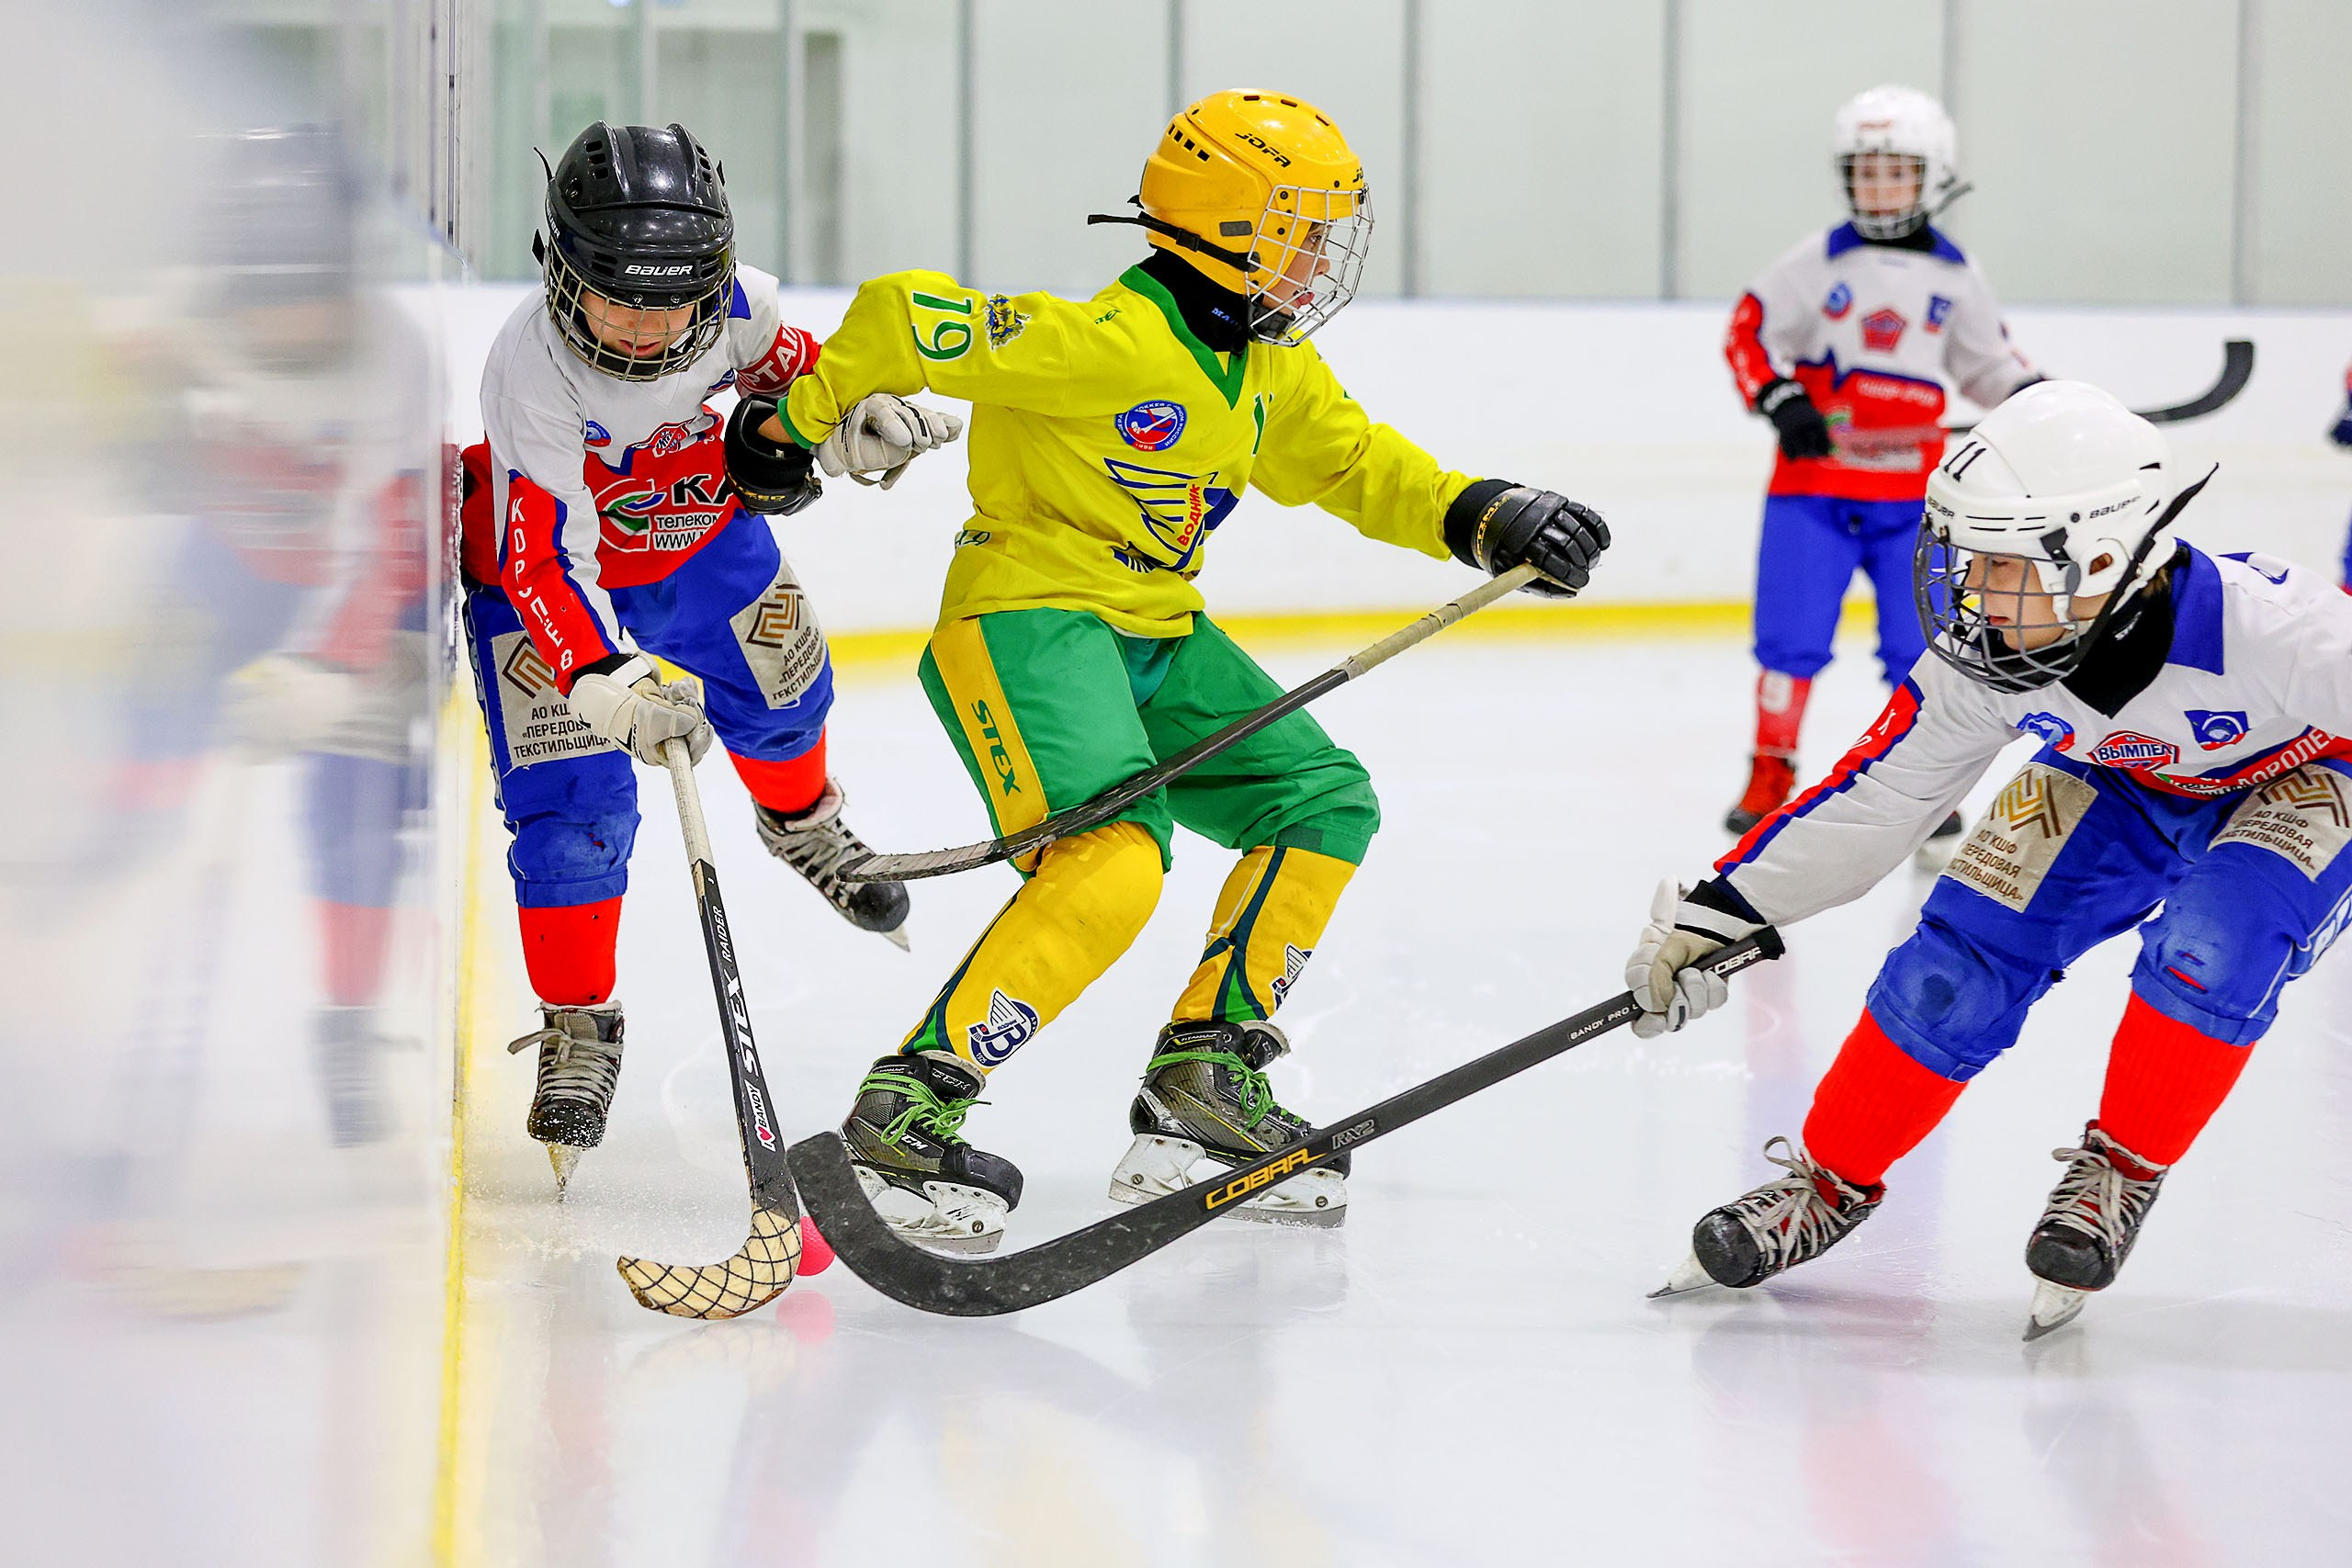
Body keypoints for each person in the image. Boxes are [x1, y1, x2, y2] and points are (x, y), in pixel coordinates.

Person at [755, 89, 1609, 1250]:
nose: (1320, 254)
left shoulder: (1263, 367)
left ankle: (1200, 1084)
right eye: (1301, 226)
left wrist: (1486, 513)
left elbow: (1356, 464)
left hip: (1156, 630)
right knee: (1112, 857)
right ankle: (906, 1111)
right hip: (1029, 618)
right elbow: (904, 314)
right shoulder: (1107, 341)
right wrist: (791, 423)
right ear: (1235, 223)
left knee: (1320, 801)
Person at [1629, 380, 2352, 1338]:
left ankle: (2122, 1169)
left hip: (2305, 777)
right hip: (2118, 781)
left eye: (2002, 563)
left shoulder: (2287, 631)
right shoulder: (1986, 653)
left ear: (2101, 558)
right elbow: (1875, 797)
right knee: (1953, 962)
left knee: (2214, 945)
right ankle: (1829, 1179)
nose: (1970, 589)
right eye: (1964, 555)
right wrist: (1719, 913)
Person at [457, 122, 961, 1183]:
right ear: (561, 276)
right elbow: (543, 557)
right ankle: (580, 1022)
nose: (645, 327)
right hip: (541, 577)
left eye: (672, 299)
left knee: (790, 689)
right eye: (616, 297)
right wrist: (601, 677)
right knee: (574, 815)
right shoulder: (530, 376)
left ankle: (802, 826)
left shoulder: (742, 307)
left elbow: (806, 386)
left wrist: (849, 421)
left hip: (694, 538)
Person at [1723, 85, 2041, 856]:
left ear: (1934, 177)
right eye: (1864, 171)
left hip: (1914, 502)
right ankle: (1771, 766)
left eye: (1896, 171)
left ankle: (1919, 781)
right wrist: (1781, 397)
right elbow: (1751, 328)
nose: (1878, 188)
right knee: (1788, 639)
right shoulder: (1816, 262)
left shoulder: (1957, 276)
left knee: (1921, 645)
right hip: (1813, 494)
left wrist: (2039, 401)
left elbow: (1988, 364)